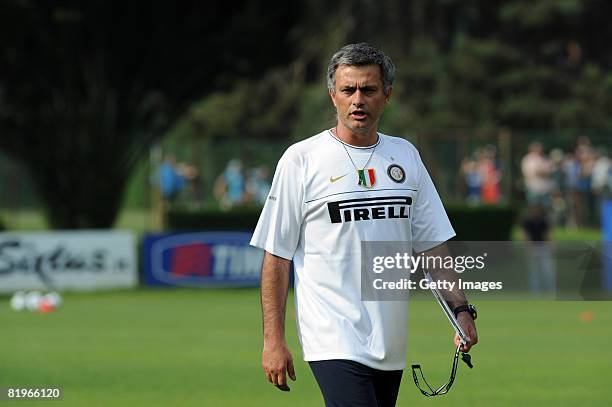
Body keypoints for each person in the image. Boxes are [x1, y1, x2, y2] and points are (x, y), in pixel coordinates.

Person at [250, 43, 478, 406]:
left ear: (387, 95)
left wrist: (461, 311)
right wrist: (272, 340)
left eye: (368, 90)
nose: (358, 99)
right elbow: (276, 257)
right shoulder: (301, 160)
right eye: (348, 90)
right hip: (332, 337)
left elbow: (433, 245)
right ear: (332, 96)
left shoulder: (405, 155)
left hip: (390, 341)